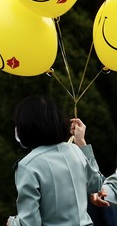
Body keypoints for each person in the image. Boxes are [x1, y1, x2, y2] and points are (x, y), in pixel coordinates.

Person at [7, 95, 104, 225]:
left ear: (26, 126)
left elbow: (30, 223)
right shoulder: (75, 150)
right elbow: (97, 185)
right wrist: (82, 143)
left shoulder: (28, 165)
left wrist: (12, 222)